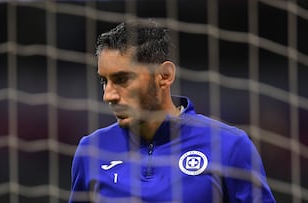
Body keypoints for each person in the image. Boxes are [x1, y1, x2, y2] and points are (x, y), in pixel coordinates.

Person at [68, 19, 276, 203]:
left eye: (122, 79)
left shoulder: (229, 145)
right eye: (104, 81)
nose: (108, 95)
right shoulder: (91, 150)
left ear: (165, 76)